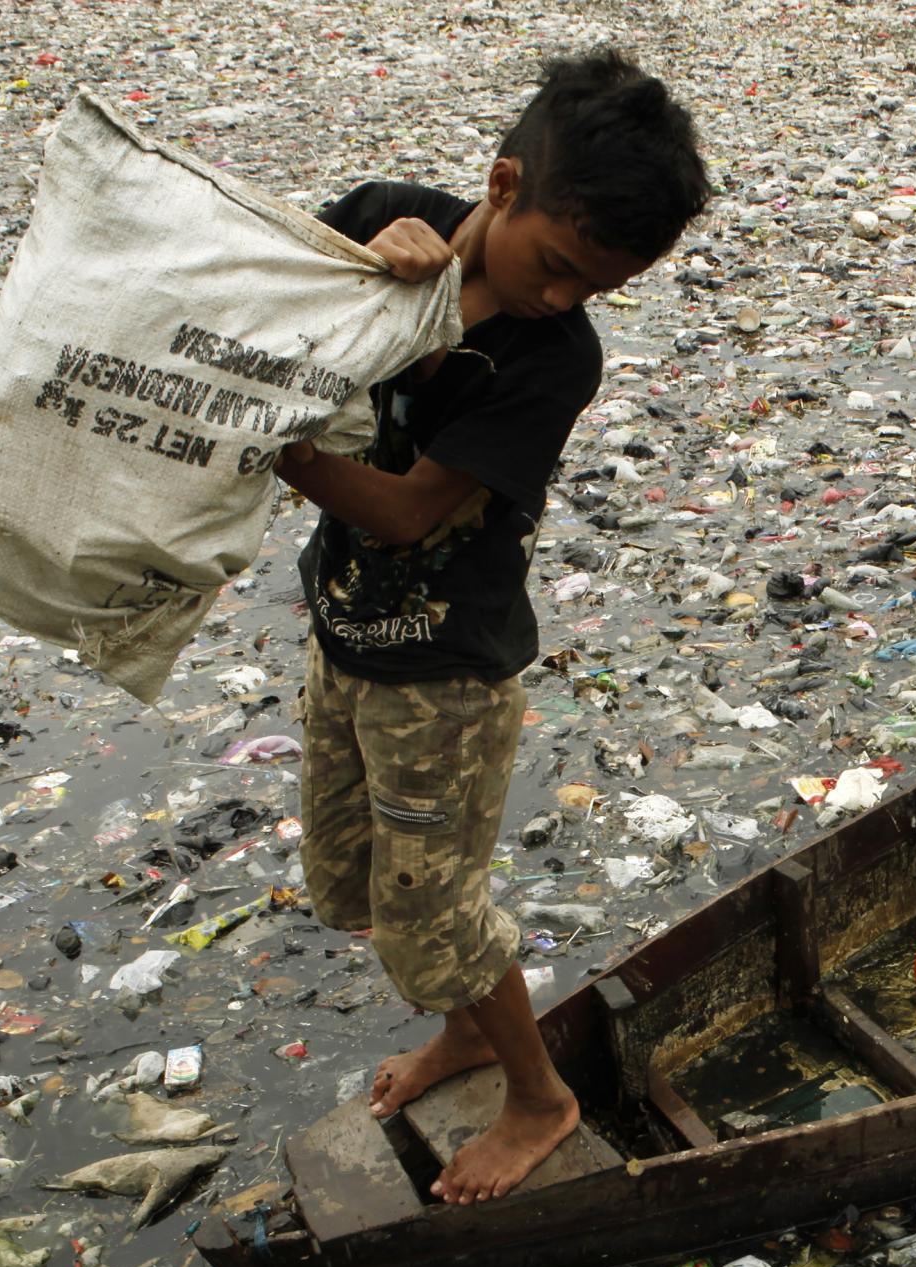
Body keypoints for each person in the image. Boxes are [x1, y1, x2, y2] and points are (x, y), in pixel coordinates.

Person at [275, 50, 707, 1203]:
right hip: (345, 639)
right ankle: (467, 1035)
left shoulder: (551, 358)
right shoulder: (383, 221)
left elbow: (413, 513)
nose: (562, 298)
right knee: (358, 885)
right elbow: (256, 301)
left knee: (436, 919)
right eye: (556, 267)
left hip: (444, 680)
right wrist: (366, 268)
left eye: (594, 288)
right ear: (502, 184)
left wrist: (279, 447)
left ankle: (537, 1094)